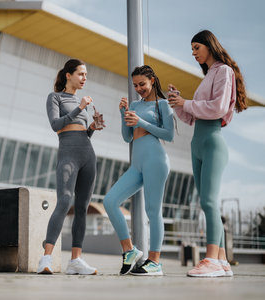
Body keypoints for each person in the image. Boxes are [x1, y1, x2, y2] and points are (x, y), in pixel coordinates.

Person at [168, 30, 247, 277]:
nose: (193, 53)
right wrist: (178, 102)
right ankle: (222, 261)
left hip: (213, 142)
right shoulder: (209, 75)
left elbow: (218, 108)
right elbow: (192, 116)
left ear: (209, 45)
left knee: (210, 202)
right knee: (205, 203)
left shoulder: (224, 71)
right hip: (198, 143)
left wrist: (186, 103)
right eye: (191, 49)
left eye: (196, 47)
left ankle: (211, 258)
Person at [103, 65, 174, 276]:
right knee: (110, 201)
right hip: (137, 163)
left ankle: (155, 262)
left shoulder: (163, 105)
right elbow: (127, 137)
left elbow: (169, 135)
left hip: (156, 160)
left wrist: (141, 121)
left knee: (153, 211)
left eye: (142, 84)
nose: (139, 88)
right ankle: (130, 250)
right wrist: (123, 113)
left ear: (152, 80)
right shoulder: (134, 104)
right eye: (135, 85)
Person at [37, 59, 105, 275]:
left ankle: (76, 261)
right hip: (68, 153)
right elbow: (56, 125)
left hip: (87, 153)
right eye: (81, 74)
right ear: (69, 75)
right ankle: (45, 258)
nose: (84, 78)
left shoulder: (80, 101)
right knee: (65, 201)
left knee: (83, 208)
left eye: (86, 75)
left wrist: (93, 126)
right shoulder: (55, 97)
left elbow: (83, 133)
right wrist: (80, 108)